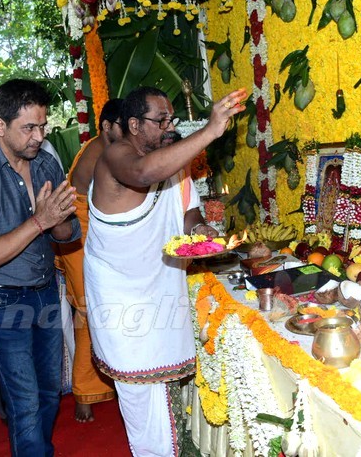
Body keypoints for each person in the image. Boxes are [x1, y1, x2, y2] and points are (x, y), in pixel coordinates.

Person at [84, 85, 246, 456]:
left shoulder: (170, 158)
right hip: (121, 299)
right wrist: (209, 130)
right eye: (162, 120)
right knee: (142, 397)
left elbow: (186, 210)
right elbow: (142, 175)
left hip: (160, 287)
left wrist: (199, 228)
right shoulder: (115, 157)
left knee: (166, 395)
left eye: (171, 119)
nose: (170, 127)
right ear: (135, 125)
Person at [0, 79, 81, 457]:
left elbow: (67, 231)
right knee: (23, 403)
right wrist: (39, 221)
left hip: (45, 292)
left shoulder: (44, 162)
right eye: (29, 127)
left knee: (49, 393)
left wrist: (55, 219)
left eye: (42, 125)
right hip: (2, 302)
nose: (39, 136)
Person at [56, 98, 123, 422]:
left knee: (99, 314)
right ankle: (83, 392)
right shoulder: (101, 151)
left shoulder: (106, 146)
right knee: (88, 313)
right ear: (108, 126)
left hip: (90, 239)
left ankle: (103, 383)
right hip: (78, 241)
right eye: (125, 126)